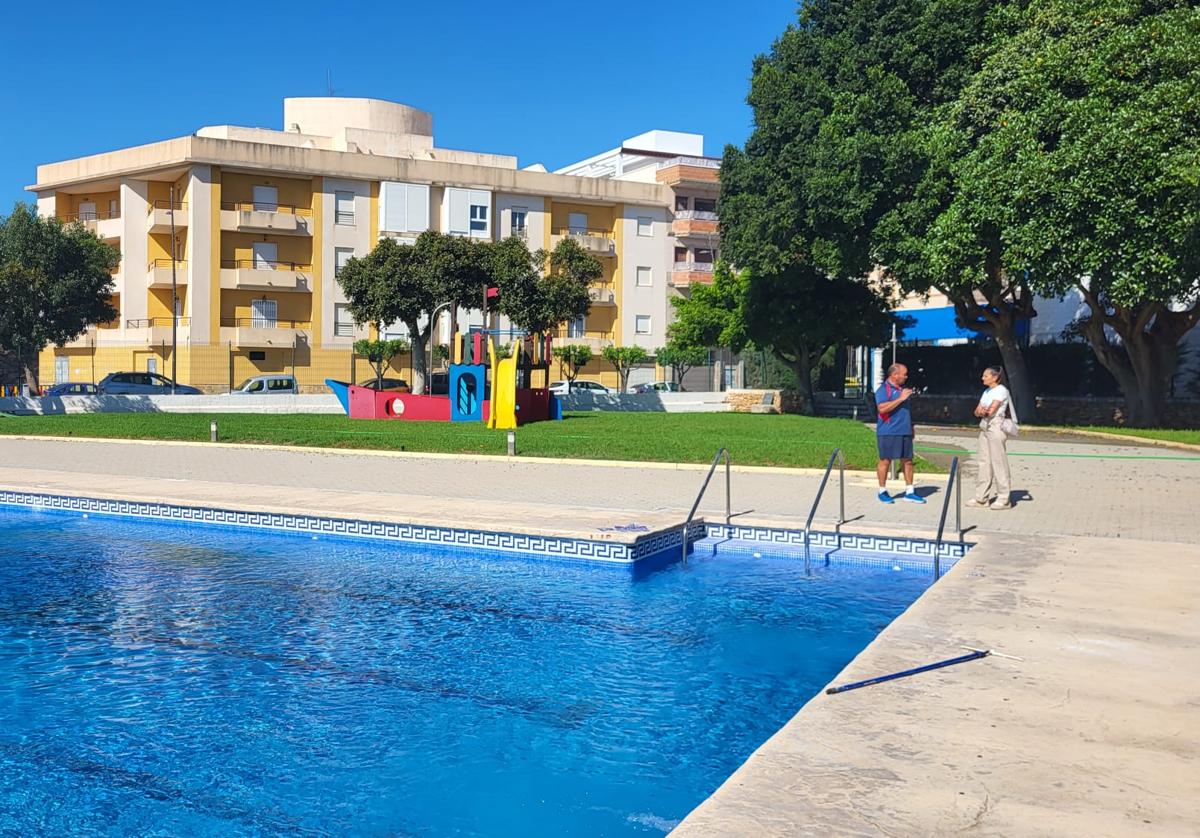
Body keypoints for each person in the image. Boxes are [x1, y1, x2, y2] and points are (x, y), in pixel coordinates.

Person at [875, 363, 924, 504]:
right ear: (894, 375)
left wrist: (911, 426)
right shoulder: (883, 390)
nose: (906, 376)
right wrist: (900, 399)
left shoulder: (903, 390)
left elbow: (906, 410)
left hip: (905, 431)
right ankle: (882, 491)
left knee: (908, 460)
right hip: (888, 431)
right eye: (904, 374)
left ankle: (909, 491)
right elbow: (882, 409)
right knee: (886, 460)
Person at [968, 365, 1014, 510]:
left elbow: (991, 411)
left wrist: (982, 411)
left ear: (995, 377)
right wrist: (981, 412)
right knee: (984, 462)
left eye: (986, 376)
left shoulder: (1001, 391)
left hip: (995, 427)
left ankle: (1003, 498)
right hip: (984, 427)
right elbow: (977, 411)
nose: (983, 378)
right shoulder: (987, 391)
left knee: (998, 462)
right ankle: (981, 497)